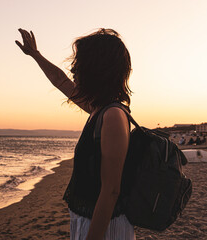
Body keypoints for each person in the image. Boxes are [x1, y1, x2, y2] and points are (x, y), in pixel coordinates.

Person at [16, 28, 134, 240]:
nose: (73, 69)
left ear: (96, 68)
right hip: (87, 221)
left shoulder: (113, 115)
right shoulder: (98, 109)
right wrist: (35, 54)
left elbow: (111, 191)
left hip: (106, 227)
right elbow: (60, 80)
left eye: (78, 63)